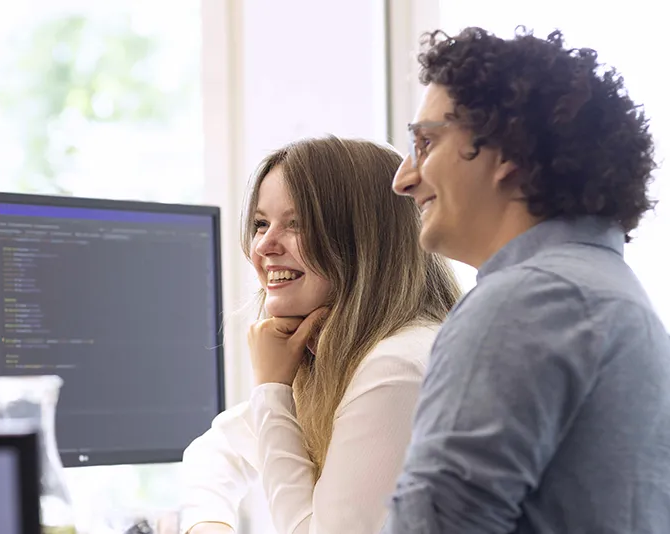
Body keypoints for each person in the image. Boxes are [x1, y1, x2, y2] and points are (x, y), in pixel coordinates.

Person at [385, 26, 670, 534]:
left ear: (508, 149)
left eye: (426, 142)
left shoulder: (525, 300)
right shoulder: (615, 294)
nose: (404, 177)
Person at [180, 136, 462, 534]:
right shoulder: (342, 352)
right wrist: (208, 523)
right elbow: (215, 451)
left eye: (297, 224)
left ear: (364, 240)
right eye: (261, 223)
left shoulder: (397, 367)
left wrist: (272, 389)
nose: (264, 244)